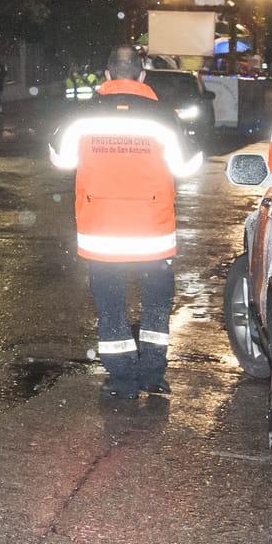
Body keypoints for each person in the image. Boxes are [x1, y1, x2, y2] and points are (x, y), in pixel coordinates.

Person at [49, 45, 203, 398]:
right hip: (152, 233)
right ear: (142, 75)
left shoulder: (82, 114)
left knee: (111, 308)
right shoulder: (162, 115)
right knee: (156, 307)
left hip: (102, 233)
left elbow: (60, 159)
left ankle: (122, 381)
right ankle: (152, 375)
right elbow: (186, 166)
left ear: (107, 75)